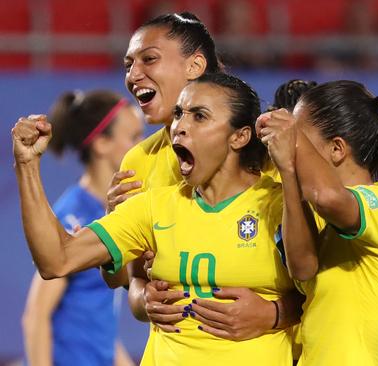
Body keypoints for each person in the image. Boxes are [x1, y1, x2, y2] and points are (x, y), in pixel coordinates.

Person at [13, 73, 309, 365]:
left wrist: (276, 314)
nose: (179, 127)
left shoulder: (280, 204)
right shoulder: (153, 207)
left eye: (200, 116)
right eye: (179, 114)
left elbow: (328, 290)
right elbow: (57, 259)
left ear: (240, 136)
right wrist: (27, 165)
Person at [103, 12, 301, 339]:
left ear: (194, 66)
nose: (133, 75)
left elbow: (318, 274)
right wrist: (144, 300)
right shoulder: (138, 160)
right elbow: (130, 281)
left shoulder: (264, 151)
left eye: (149, 59)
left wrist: (273, 313)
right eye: (128, 65)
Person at [257, 80, 378, 365]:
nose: (292, 144)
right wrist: (288, 171)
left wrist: (291, 136)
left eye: (299, 138)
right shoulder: (320, 216)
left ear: (337, 149)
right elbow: (303, 268)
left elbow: (326, 195)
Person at [21, 90, 142, 366]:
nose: (142, 146)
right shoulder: (72, 215)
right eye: (133, 137)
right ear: (101, 144)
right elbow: (36, 316)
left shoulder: (110, 213)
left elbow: (100, 325)